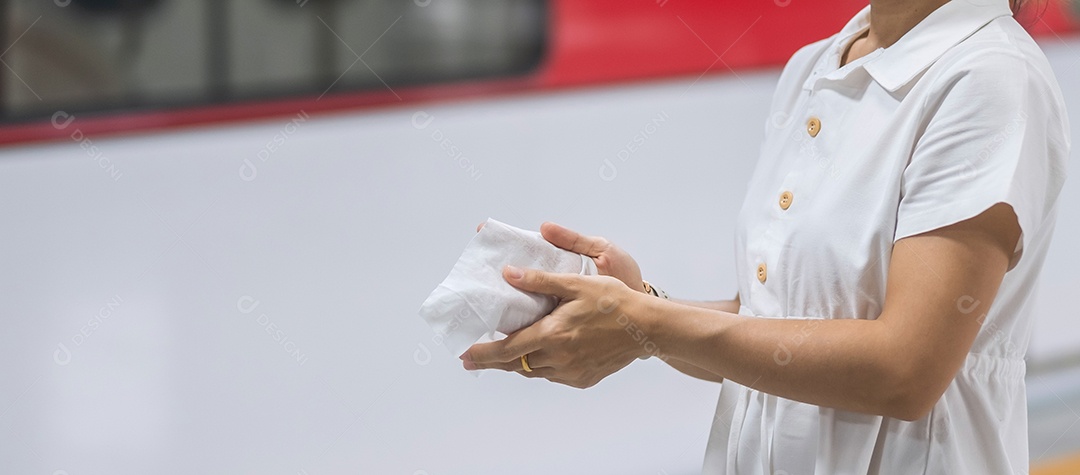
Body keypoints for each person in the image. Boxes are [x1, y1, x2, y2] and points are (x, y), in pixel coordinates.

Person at [460, 0, 1070, 472]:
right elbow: (773, 323)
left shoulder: (990, 78)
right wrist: (639, 305)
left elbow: (905, 368)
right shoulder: (815, 67)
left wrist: (646, 324)